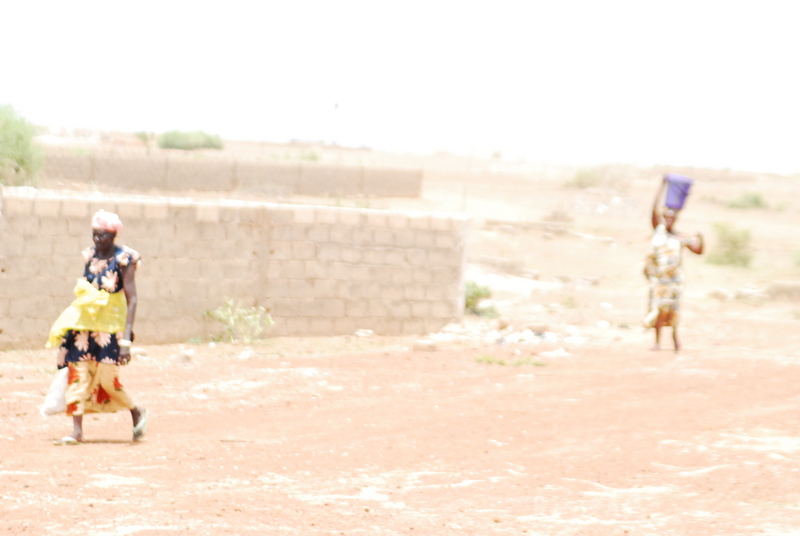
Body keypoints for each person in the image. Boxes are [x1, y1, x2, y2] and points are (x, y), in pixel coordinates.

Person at [46, 209, 148, 444]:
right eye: (94, 234)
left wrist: (126, 340)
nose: (96, 240)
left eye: (101, 235)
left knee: (107, 379)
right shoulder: (90, 255)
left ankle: (135, 411)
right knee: (77, 373)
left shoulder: (124, 259)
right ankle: (77, 431)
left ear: (113, 236)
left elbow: (131, 299)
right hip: (84, 324)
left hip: (109, 329)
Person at [643, 177, 704, 351]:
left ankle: (675, 341)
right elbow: (653, 210)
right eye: (666, 216)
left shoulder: (680, 236)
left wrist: (701, 239)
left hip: (675, 281)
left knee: (673, 310)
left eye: (672, 217)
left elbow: (698, 251)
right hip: (659, 280)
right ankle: (657, 342)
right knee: (659, 309)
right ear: (663, 217)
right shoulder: (658, 231)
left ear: (675, 219)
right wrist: (662, 186)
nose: (669, 219)